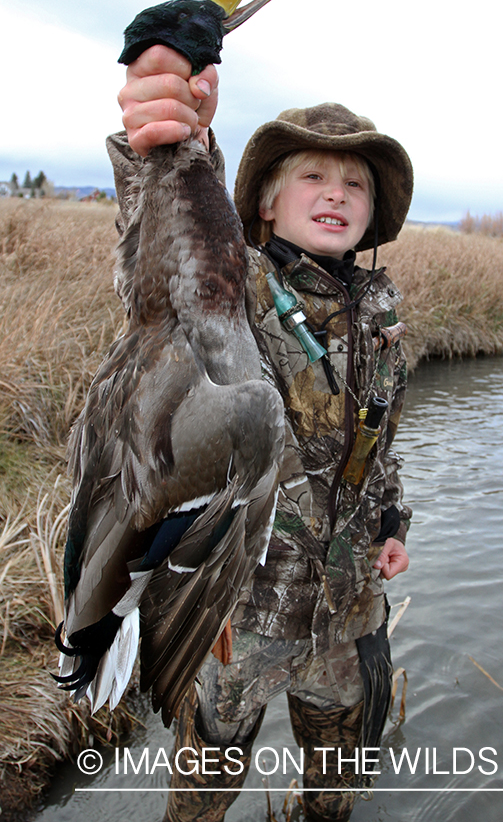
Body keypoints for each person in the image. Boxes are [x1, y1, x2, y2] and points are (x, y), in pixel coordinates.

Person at [112, 46, 414, 822]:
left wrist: (390, 525)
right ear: (266, 205)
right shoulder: (233, 289)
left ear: (374, 214)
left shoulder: (381, 313)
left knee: (336, 792)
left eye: (355, 184)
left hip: (348, 613)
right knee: (201, 803)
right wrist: (173, 146)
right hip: (235, 615)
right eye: (312, 176)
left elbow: (379, 447)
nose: (336, 194)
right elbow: (166, 241)